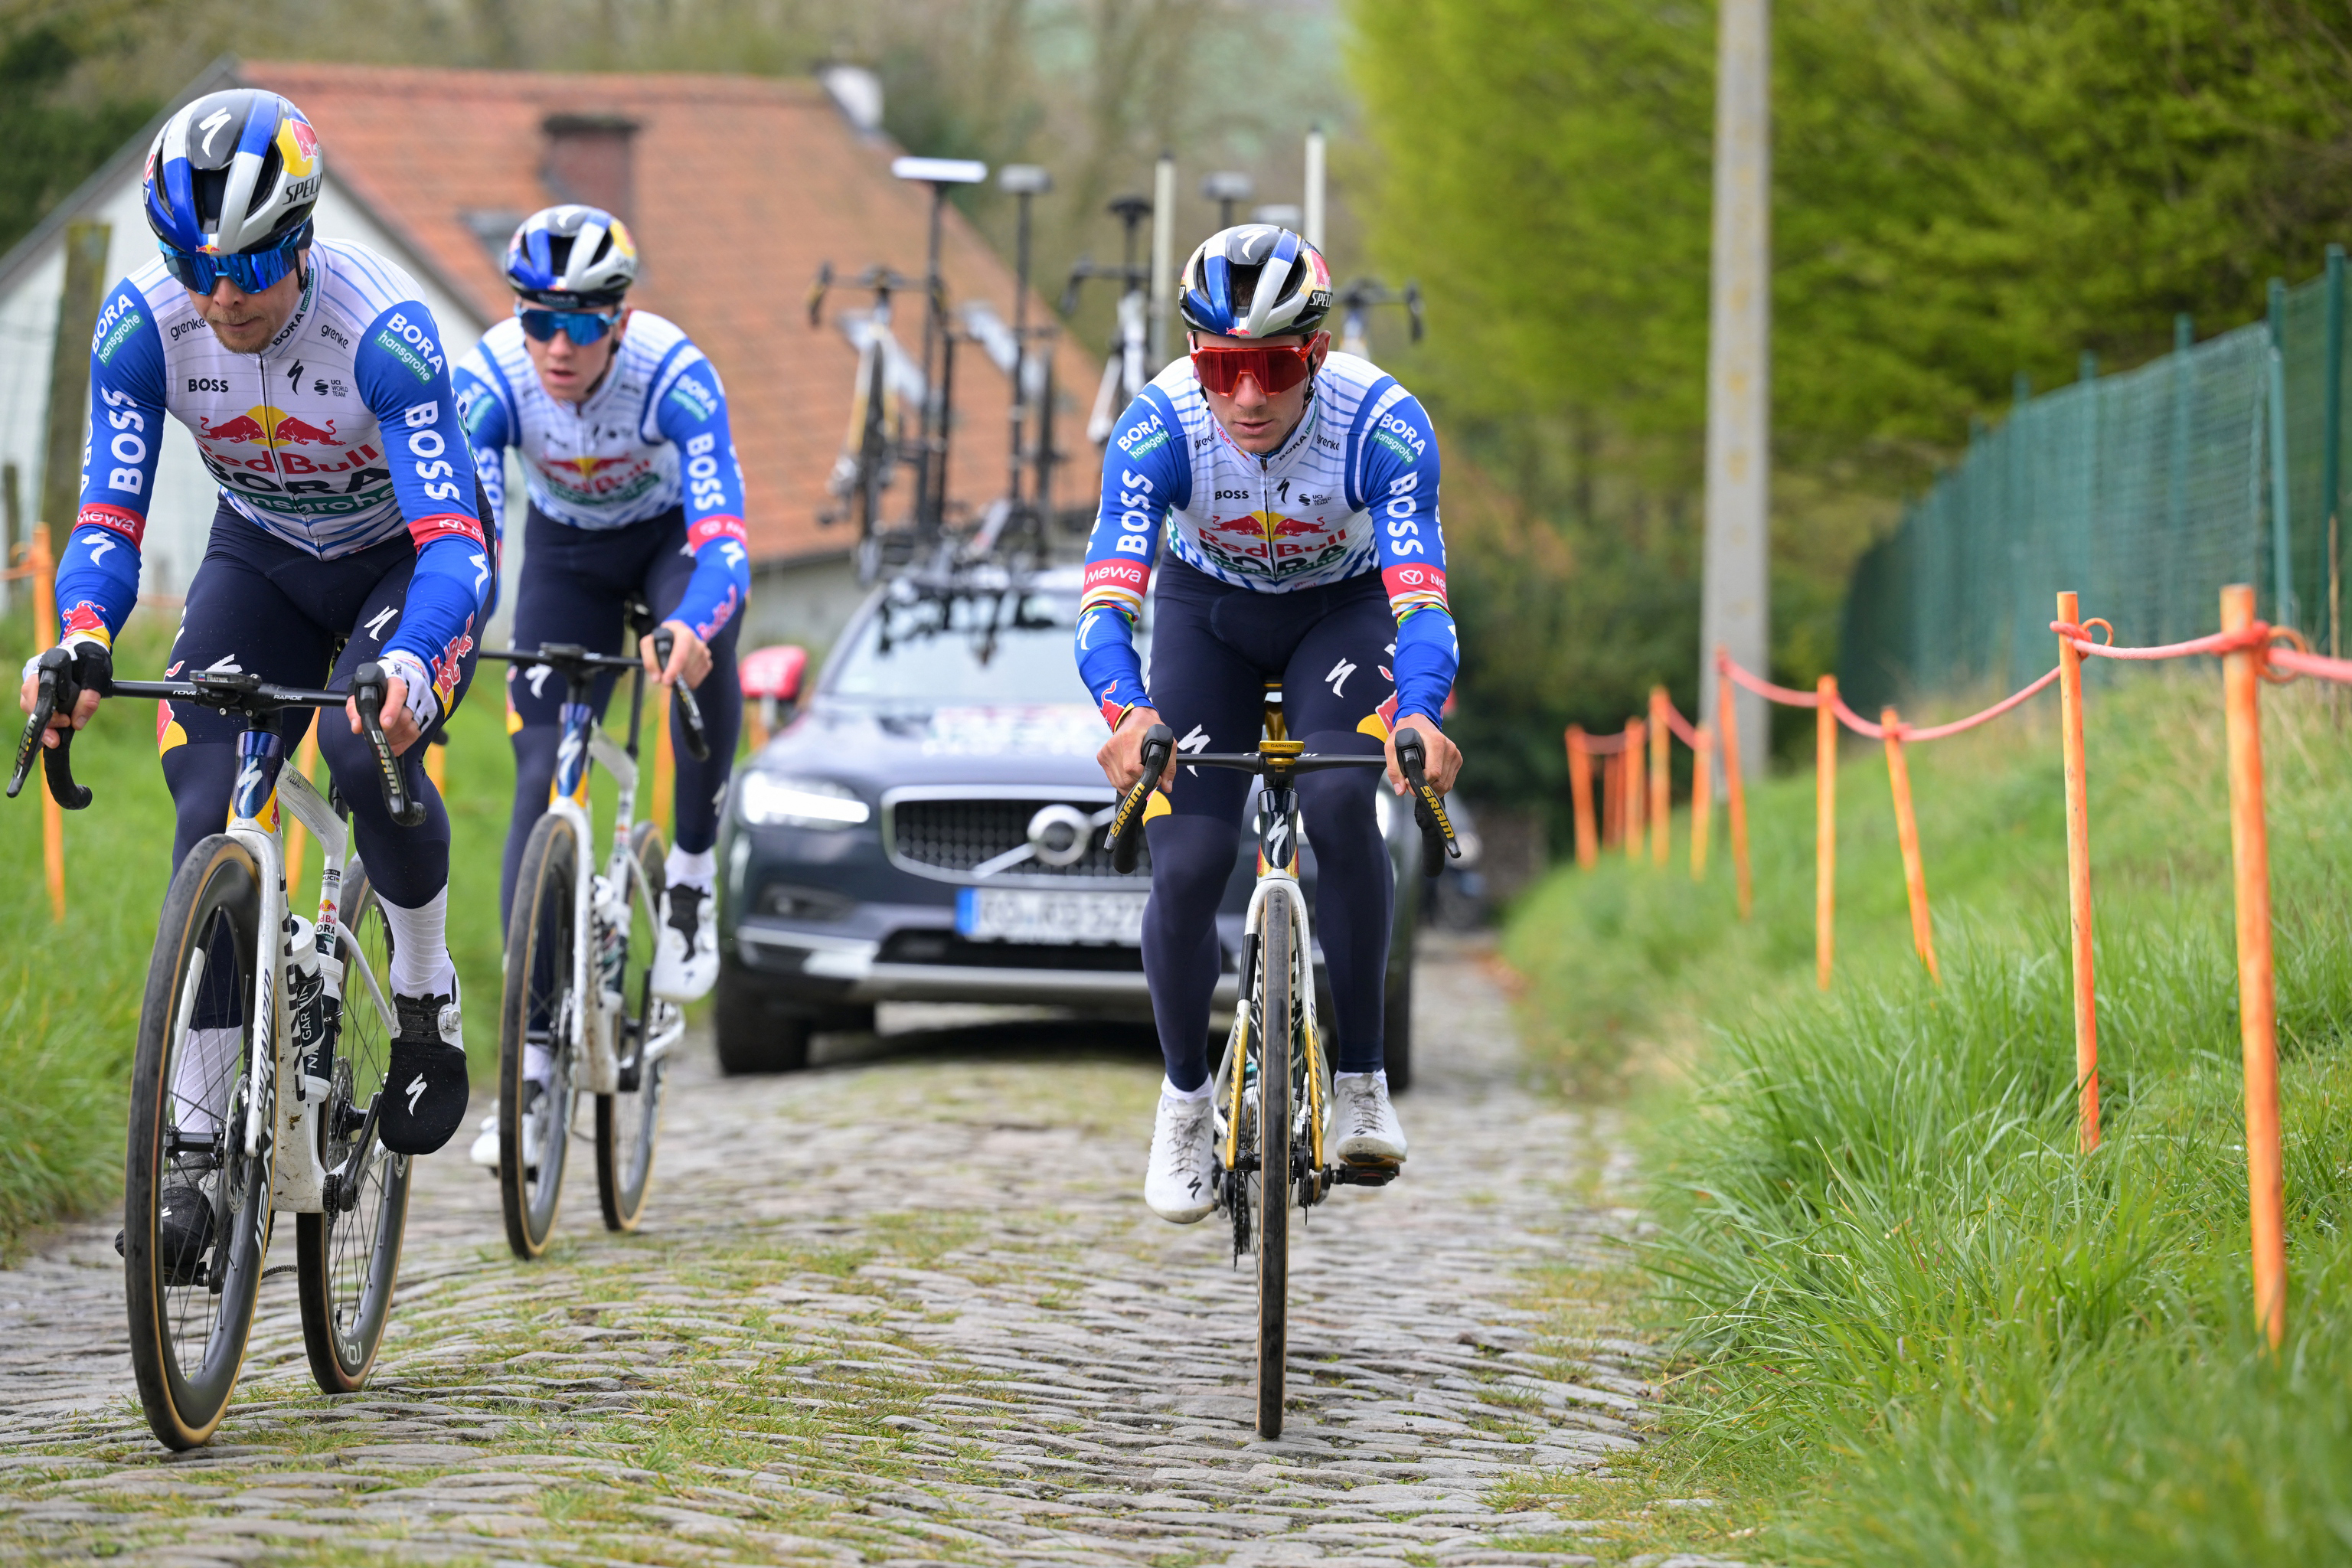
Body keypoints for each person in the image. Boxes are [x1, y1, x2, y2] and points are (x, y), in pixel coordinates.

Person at [22, 88, 495, 1181]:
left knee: (358, 750)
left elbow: (457, 546)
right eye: (195, 265)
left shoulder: (386, 335)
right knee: (206, 803)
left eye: (246, 265)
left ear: (300, 238)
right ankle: (194, 1132)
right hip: (263, 552)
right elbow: (107, 517)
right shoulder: (147, 326)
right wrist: (84, 635)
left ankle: (422, 989)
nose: (220, 294)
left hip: (408, 561)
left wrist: (415, 664)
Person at [1076, 224, 1463, 1223]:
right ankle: (1183, 1102)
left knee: (1342, 803)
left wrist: (1417, 716)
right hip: (1207, 620)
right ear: (1195, 359)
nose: (1247, 396)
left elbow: (1421, 603)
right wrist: (1128, 714)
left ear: (1318, 354)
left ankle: (1362, 1083)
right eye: (1222, 367)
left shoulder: (1384, 425)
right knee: (1191, 856)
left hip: (1341, 617)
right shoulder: (1157, 427)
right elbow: (1106, 607)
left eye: (1276, 366)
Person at [451, 204, 749, 1165]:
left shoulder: (676, 376)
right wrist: (453, 635)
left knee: (701, 665)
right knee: (540, 779)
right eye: (538, 318)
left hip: (669, 548)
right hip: (567, 558)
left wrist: (692, 627)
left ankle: (693, 875)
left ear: (619, 319)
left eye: (580, 323)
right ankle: (531, 1068)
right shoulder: (494, 375)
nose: (556, 344)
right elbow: (472, 532)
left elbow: (725, 544)